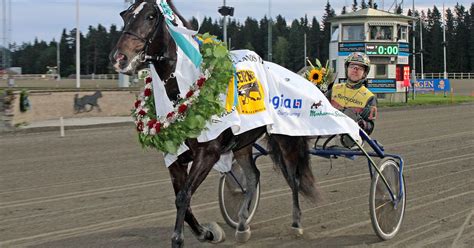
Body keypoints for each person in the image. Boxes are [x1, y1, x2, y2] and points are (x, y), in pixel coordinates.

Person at [327, 52, 377, 136]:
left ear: (364, 73)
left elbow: (370, 127)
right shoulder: (334, 89)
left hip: (351, 144)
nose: (355, 69)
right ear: (347, 69)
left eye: (360, 68)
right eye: (352, 66)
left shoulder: (370, 97)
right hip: (327, 138)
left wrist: (361, 123)